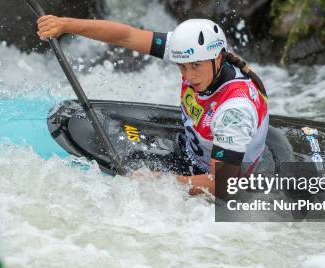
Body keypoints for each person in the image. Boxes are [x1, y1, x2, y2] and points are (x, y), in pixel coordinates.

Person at [37, 16, 269, 196]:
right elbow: (127, 36)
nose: (188, 77)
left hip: (220, 175)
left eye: (196, 67)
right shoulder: (192, 52)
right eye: (182, 67)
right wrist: (66, 25)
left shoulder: (234, 111)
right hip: (193, 149)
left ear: (218, 58)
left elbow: (222, 186)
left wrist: (163, 182)